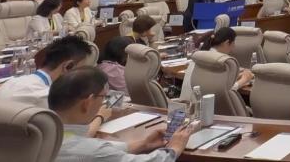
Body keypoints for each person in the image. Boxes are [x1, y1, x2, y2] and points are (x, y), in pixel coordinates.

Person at [52, 66, 195, 162]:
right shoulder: (91, 151)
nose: (103, 102)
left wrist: (143, 144)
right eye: (103, 97)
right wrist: (174, 148)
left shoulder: (48, 134)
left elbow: (103, 152)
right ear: (87, 103)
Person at [0, 35, 91, 107]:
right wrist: (99, 114)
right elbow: (75, 130)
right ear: (68, 66)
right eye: (81, 70)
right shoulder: (46, 97)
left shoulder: (14, 81)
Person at [180, 27, 253, 102]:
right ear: (227, 43)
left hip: (186, 103)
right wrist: (243, 80)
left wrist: (235, 77)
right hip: (200, 106)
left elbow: (211, 83)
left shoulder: (201, 55)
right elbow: (221, 93)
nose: (234, 47)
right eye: (233, 43)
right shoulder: (216, 61)